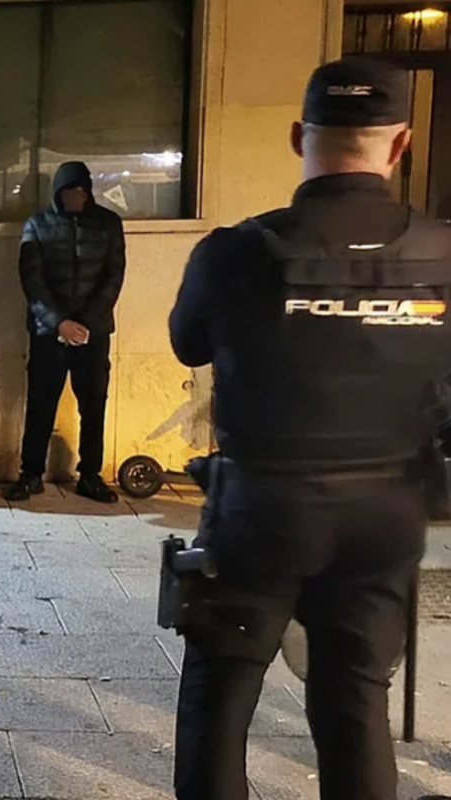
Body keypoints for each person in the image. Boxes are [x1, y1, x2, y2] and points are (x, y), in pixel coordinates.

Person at [168, 56, 451, 800]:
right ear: (400, 145)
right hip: (385, 514)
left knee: (220, 698)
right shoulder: (443, 255)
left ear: (300, 136)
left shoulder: (236, 250)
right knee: (356, 701)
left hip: (260, 510)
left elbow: (187, 342)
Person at [7, 161, 125, 504]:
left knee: (93, 405)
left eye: (80, 192)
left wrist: (86, 322)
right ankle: (31, 474)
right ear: (57, 194)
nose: (75, 198)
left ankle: (90, 475)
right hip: (48, 333)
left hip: (93, 332)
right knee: (40, 404)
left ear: (88, 192)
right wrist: (58, 322)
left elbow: (113, 276)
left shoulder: (108, 224)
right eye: (68, 193)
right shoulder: (37, 224)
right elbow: (32, 279)